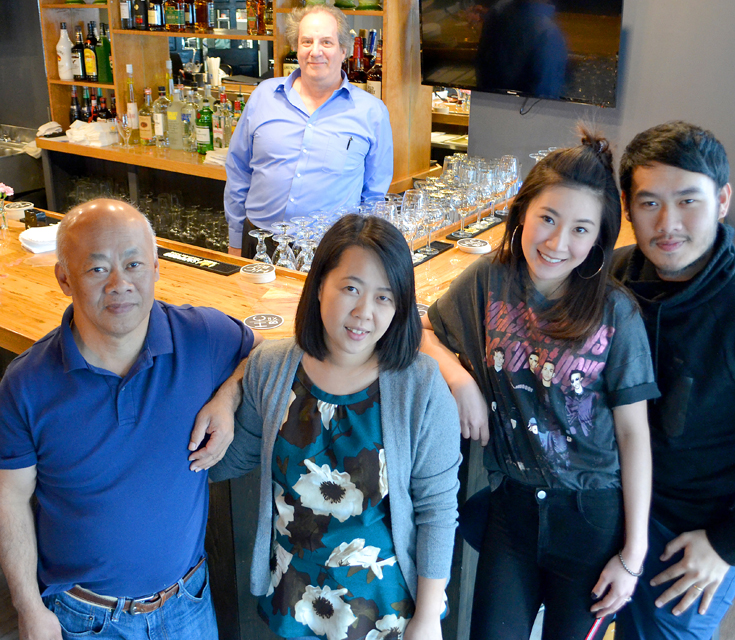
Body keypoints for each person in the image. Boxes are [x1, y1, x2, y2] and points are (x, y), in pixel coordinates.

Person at [421, 130, 659, 640]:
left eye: (579, 229)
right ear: (522, 212)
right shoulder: (489, 280)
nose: (556, 242)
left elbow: (634, 435)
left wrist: (633, 556)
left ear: (600, 238)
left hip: (591, 515)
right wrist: (458, 376)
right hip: (513, 506)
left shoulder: (616, 312)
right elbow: (417, 331)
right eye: (547, 219)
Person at [0, 199, 259, 640]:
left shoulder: (203, 337)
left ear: (157, 268)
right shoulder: (26, 384)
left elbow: (264, 352)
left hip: (187, 604)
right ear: (64, 278)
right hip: (83, 618)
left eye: (134, 263)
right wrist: (28, 609)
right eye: (97, 269)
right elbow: (9, 500)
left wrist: (228, 395)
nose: (121, 284)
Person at [209, 215, 461, 640]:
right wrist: (227, 393)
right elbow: (226, 460)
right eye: (350, 289)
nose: (364, 313)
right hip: (295, 594)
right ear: (319, 285)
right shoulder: (272, 369)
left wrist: (429, 616)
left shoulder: (420, 384)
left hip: (383, 603)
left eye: (384, 297)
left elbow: (438, 508)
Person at [612, 121, 735, 639]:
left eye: (688, 201)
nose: (668, 223)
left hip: (691, 535)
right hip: (608, 508)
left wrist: (731, 542)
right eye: (649, 203)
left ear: (722, 201)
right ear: (628, 207)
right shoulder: (612, 280)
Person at [224, 5, 393, 258]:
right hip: (258, 242)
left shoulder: (371, 112)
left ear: (343, 50)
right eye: (306, 41)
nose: (316, 51)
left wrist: (365, 255)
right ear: (296, 47)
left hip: (331, 251)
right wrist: (236, 239)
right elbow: (238, 171)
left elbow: (374, 197)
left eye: (326, 42)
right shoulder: (263, 96)